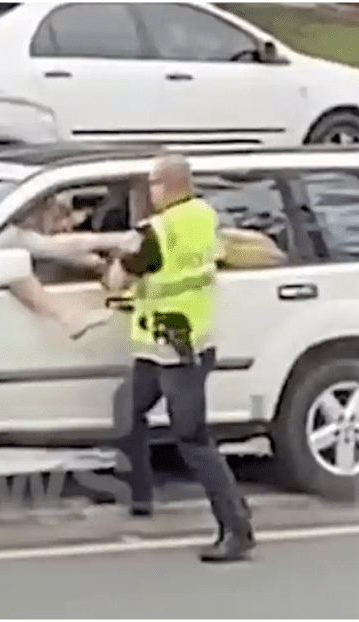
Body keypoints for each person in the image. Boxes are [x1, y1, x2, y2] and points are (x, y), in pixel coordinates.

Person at [103, 154, 256, 563]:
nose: (148, 193)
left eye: (151, 185)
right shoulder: (204, 215)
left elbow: (119, 278)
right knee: (128, 410)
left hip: (176, 350)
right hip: (171, 344)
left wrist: (119, 258)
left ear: (164, 185)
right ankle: (141, 497)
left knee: (192, 440)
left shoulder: (155, 231)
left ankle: (236, 527)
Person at [0, 192, 137, 339]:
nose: (63, 226)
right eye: (57, 216)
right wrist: (121, 240)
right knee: (18, 272)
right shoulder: (5, 236)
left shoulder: (3, 233)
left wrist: (97, 262)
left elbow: (63, 250)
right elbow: (58, 246)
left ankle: (70, 319)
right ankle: (70, 319)